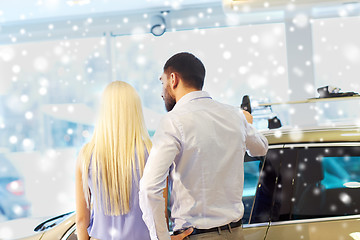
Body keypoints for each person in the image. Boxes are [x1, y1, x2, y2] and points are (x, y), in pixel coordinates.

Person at [139, 52, 268, 240]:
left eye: (162, 82)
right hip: (236, 233)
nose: (161, 91)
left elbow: (150, 188)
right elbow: (261, 148)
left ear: (173, 79)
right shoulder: (234, 116)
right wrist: (247, 123)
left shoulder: (173, 122)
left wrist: (161, 238)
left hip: (196, 235)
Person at [75, 81, 152, 240]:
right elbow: (159, 214)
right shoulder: (151, 152)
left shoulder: (86, 155)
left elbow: (81, 220)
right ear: (135, 111)